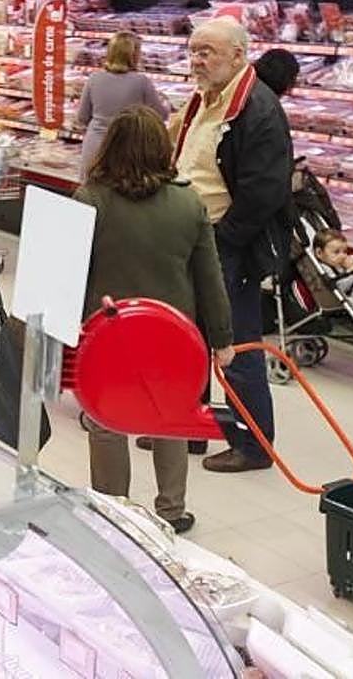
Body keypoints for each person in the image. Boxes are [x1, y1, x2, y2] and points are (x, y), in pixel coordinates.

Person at [75, 106, 234, 534]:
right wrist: (222, 339)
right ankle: (171, 511)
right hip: (173, 333)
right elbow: (209, 277)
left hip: (108, 332)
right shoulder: (189, 202)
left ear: (111, 147)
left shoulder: (90, 199)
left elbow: (71, 273)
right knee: (171, 417)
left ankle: (114, 510)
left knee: (106, 421)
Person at [170, 16, 292, 473]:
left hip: (228, 244)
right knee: (190, 337)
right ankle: (191, 428)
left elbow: (264, 192)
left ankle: (254, 446)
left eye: (207, 52)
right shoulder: (206, 97)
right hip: (192, 237)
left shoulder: (258, 109)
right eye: (193, 51)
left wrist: (223, 242)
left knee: (236, 344)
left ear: (239, 56)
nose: (197, 60)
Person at [75, 30, 169, 177]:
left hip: (95, 146)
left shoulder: (94, 78)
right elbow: (160, 116)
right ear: (134, 55)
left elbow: (82, 117)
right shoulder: (141, 81)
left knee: (92, 187)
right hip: (128, 148)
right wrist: (166, 102)